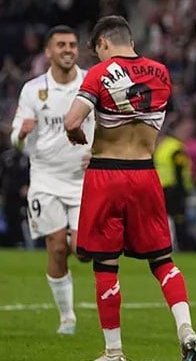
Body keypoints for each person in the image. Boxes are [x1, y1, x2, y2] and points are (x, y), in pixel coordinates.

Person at [63, 15, 196, 361]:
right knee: (162, 260)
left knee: (106, 265)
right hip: (144, 172)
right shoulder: (162, 73)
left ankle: (114, 351)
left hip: (107, 173)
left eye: (97, 51)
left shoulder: (99, 73)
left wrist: (74, 133)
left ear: (104, 43)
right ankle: (185, 327)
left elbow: (72, 120)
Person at [10, 25, 93, 334]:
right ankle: (67, 317)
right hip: (45, 178)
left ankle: (81, 247)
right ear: (49, 51)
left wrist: (97, 151)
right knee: (57, 247)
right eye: (61, 44)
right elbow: (17, 138)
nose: (68, 49)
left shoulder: (91, 82)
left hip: (84, 180)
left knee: (83, 251)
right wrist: (22, 133)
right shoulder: (33, 89)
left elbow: (108, 125)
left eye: (72, 44)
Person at [154, 116, 196, 251]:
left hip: (159, 188)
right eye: (186, 130)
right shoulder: (176, 148)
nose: (188, 134)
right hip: (174, 190)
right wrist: (185, 191)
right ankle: (185, 247)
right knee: (179, 221)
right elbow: (179, 172)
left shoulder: (163, 146)